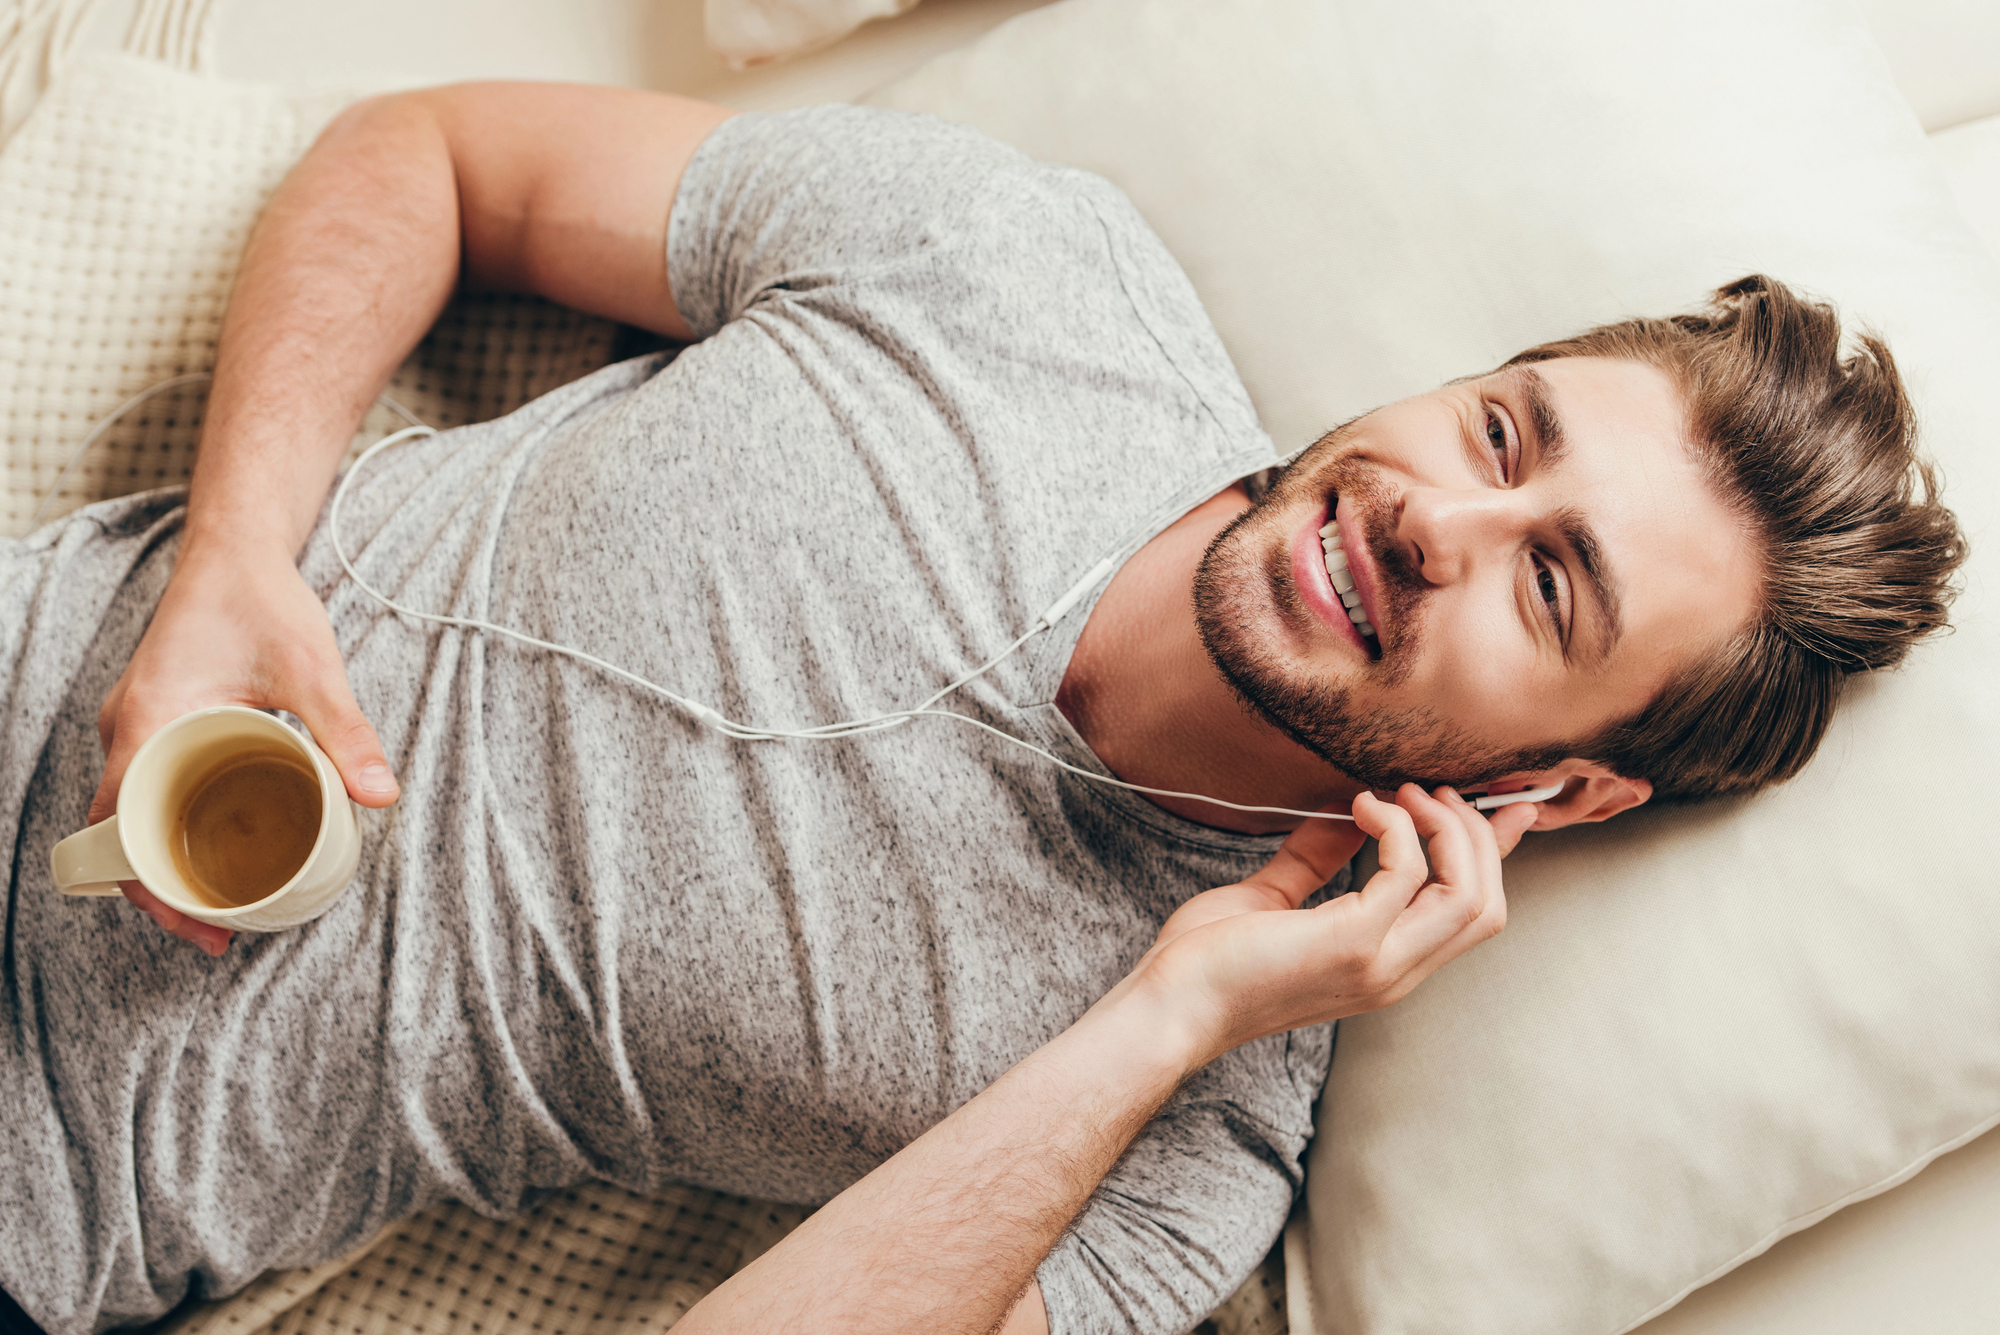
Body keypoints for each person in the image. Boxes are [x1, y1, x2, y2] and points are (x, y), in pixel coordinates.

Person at [0, 84, 1963, 1335]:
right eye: (1497, 428)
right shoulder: (1025, 277)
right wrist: (238, 556)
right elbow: (425, 155)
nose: (1434, 517)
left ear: (1560, 782)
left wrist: (1173, 1007)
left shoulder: (1193, 1127)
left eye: (1550, 583)